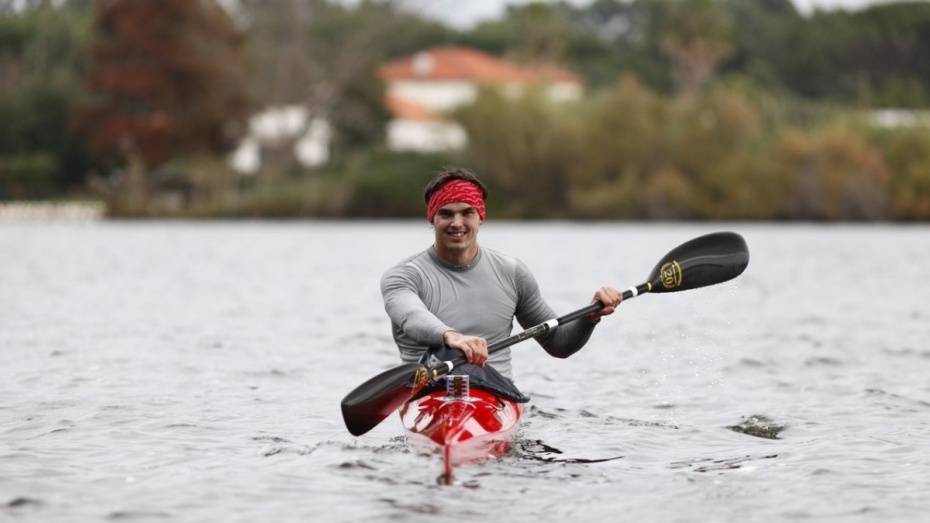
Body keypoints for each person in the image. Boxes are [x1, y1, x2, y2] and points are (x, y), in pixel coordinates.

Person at [380, 167, 621, 388]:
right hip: (428, 393)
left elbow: (559, 345)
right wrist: (451, 337)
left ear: (480, 216)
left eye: (467, 213)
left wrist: (590, 317)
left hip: (494, 396)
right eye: (446, 214)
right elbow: (411, 317)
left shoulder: (512, 273)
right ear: (432, 218)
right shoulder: (402, 277)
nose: (456, 223)